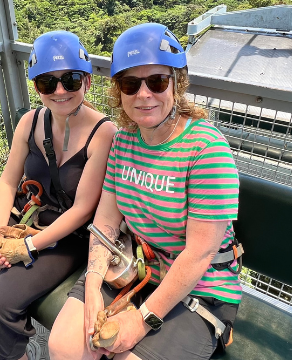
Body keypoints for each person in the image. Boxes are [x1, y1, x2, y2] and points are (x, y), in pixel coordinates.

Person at [48, 23, 242, 360]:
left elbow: (199, 253)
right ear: (119, 92)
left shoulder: (206, 151)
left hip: (199, 286)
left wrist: (141, 321)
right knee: (63, 347)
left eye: (157, 81)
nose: (143, 94)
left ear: (176, 84)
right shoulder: (123, 142)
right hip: (133, 265)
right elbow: (106, 221)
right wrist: (92, 282)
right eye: (130, 84)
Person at [0, 30, 117, 360]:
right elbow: (8, 183)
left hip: (66, 235)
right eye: (47, 83)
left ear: (87, 82)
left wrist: (26, 247)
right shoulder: (30, 122)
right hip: (21, 217)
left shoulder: (103, 133)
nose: (59, 91)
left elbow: (83, 209)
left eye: (70, 80)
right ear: (36, 87)